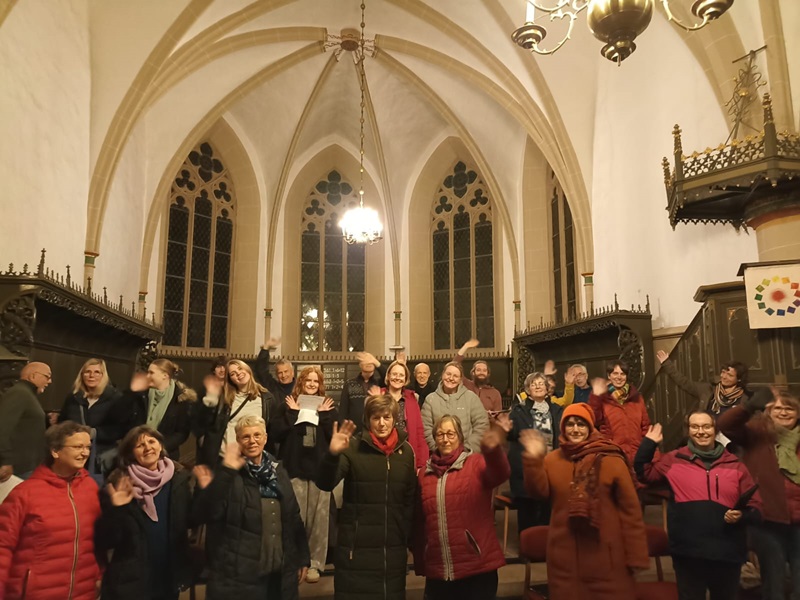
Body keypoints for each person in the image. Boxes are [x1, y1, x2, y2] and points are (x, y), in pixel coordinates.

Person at [521, 402, 649, 599]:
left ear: (590, 427)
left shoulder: (611, 459)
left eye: (581, 424)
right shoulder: (552, 460)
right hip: (564, 559)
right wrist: (532, 459)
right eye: (570, 424)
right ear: (563, 428)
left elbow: (630, 511)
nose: (575, 429)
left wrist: (636, 555)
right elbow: (538, 492)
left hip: (605, 559)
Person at [635, 411, 762, 600]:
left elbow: (756, 508)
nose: (700, 431)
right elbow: (644, 473)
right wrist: (648, 444)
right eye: (695, 427)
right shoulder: (673, 460)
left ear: (715, 430)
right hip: (688, 552)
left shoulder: (735, 465)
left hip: (727, 552)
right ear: (688, 431)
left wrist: (742, 516)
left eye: (706, 426)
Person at [192, 415, 310, 598]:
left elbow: (293, 517)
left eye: (257, 435)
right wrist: (226, 473)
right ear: (237, 440)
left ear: (265, 438)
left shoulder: (278, 470)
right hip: (239, 579)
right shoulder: (225, 472)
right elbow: (205, 514)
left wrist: (302, 557)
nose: (252, 441)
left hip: (278, 576)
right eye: (245, 437)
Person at [317, 394, 417, 600]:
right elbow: (325, 483)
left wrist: (405, 535)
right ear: (368, 420)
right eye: (376, 418)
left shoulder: (406, 451)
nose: (381, 423)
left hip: (392, 550)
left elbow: (410, 499)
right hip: (357, 550)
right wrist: (332, 455)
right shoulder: (352, 448)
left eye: (387, 417)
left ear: (394, 419)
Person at [0, 421, 102, 599]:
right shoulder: (25, 493)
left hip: (82, 592)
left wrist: (99, 576)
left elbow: (98, 540)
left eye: (87, 447)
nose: (85, 453)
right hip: (35, 593)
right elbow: (3, 547)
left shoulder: (90, 488)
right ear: (55, 451)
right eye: (78, 446)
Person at [414, 415, 511, 600]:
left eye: (450, 433)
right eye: (440, 434)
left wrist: (493, 450)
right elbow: (420, 521)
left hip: (477, 570)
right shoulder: (424, 475)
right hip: (439, 571)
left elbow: (500, 473)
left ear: (460, 436)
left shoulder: (475, 464)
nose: (445, 439)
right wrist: (421, 558)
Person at [718, 388, 800, 600]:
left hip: (799, 521)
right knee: (775, 583)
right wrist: (748, 407)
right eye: (778, 408)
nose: (783, 412)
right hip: (768, 520)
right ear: (768, 411)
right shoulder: (757, 431)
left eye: (789, 408)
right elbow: (725, 425)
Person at [96, 425, 194, 600]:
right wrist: (117, 508)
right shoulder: (118, 484)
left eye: (151, 441)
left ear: (160, 446)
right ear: (130, 453)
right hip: (132, 580)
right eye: (140, 445)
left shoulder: (178, 479)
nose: (148, 447)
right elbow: (106, 539)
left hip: (168, 574)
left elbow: (191, 521)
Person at [270, 365, 337, 584]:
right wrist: (292, 413)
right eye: (307, 380)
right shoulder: (288, 404)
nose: (311, 384)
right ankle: (298, 561)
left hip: (320, 470)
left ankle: (316, 564)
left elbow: (335, 436)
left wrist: (325, 416)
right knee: (296, 517)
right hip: (295, 467)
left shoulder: (327, 405)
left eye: (315, 381)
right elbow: (275, 434)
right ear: (301, 382)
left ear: (320, 384)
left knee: (320, 519)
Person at [508, 372, 564, 532]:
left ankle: (545, 550)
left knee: (548, 514)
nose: (538, 386)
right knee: (528, 515)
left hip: (551, 468)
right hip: (526, 468)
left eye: (541, 383)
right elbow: (511, 435)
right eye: (534, 384)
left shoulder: (557, 410)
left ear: (548, 389)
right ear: (528, 390)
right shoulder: (518, 411)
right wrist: (504, 428)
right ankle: (527, 550)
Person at [196, 359, 278, 466]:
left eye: (240, 368)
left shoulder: (267, 399)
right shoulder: (223, 398)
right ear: (231, 380)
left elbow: (271, 431)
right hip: (225, 458)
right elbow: (204, 422)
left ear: (248, 370)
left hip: (252, 460)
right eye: (233, 374)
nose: (238, 373)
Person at [58, 358, 125, 478]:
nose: (91, 376)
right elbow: (62, 422)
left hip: (100, 456)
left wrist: (95, 433)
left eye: (96, 372)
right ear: (82, 375)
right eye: (87, 372)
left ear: (103, 375)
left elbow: (120, 429)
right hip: (73, 454)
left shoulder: (116, 398)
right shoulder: (74, 397)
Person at [125, 359, 197, 460]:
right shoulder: (140, 395)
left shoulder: (181, 399)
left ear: (165, 375)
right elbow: (130, 423)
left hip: (165, 455)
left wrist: (160, 446)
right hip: (138, 453)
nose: (148, 376)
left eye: (151, 373)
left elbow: (181, 433)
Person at [589, 360, 650, 464]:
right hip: (613, 453)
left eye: (622, 374)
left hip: (637, 454)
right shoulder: (602, 397)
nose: (619, 377)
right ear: (609, 375)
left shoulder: (637, 397)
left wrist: (647, 449)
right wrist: (595, 397)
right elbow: (594, 420)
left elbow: (645, 426)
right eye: (615, 373)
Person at [421, 361, 489, 452]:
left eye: (455, 376)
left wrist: (467, 450)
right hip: (439, 456)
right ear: (442, 375)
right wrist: (439, 450)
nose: (451, 378)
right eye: (448, 374)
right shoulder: (430, 400)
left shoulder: (471, 398)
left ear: (460, 380)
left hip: (467, 455)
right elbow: (426, 429)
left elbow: (481, 425)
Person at [656, 350, 750, 416]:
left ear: (739, 379)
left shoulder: (744, 399)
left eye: (729, 375)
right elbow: (684, 382)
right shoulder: (707, 389)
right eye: (723, 372)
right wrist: (666, 363)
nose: (724, 377)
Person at [0, 362, 51, 482]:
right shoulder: (19, 393)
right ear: (33, 376)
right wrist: (6, 461)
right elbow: (2, 428)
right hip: (17, 468)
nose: (50, 381)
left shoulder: (26, 393)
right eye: (47, 376)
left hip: (24, 466)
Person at [379, 360, 429, 470]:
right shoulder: (378, 396)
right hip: (382, 454)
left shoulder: (412, 399)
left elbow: (419, 431)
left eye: (401, 375)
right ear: (388, 376)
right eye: (394, 374)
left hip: (405, 454)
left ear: (405, 379)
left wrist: (421, 464)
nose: (397, 378)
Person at [455, 338, 503, 414]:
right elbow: (455, 365)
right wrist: (466, 346)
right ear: (473, 373)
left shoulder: (495, 393)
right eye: (478, 370)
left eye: (484, 370)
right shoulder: (466, 385)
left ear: (488, 374)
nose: (481, 372)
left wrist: (492, 416)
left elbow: (499, 416)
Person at [338, 351, 385, 429]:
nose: (369, 363)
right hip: (354, 431)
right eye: (365, 361)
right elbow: (342, 412)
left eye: (370, 361)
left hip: (374, 430)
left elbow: (388, 376)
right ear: (360, 365)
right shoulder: (350, 384)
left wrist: (376, 362)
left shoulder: (379, 383)